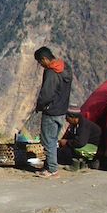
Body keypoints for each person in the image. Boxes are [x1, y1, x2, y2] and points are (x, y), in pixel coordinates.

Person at [33, 46, 73, 177]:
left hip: (51, 111)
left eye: (40, 62)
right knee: (53, 139)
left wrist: (39, 105)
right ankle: (50, 164)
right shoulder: (65, 68)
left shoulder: (51, 72)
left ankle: (52, 169)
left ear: (45, 59)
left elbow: (46, 94)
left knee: (48, 140)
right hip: (62, 110)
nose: (41, 65)